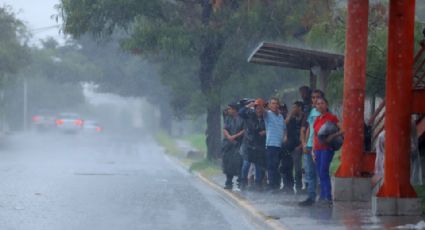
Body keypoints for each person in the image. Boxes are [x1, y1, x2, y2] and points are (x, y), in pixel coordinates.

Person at [313, 97, 343, 207]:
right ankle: (322, 196)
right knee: (320, 173)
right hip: (317, 149)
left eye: (322, 103)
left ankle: (328, 197)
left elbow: (343, 129)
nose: (320, 105)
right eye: (317, 103)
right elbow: (315, 136)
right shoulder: (317, 119)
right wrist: (313, 150)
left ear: (326, 105)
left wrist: (333, 136)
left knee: (323, 172)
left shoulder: (331, 117)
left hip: (327, 149)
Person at [299, 89, 324, 206]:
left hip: (319, 146)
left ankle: (323, 196)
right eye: (313, 98)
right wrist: (305, 143)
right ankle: (311, 196)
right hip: (309, 146)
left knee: (320, 172)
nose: (315, 100)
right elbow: (308, 128)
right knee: (309, 172)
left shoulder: (325, 113)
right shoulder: (311, 112)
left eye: (317, 98)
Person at [239, 98, 267, 190]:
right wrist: (248, 105)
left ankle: (258, 183)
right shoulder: (250, 115)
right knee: (246, 163)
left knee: (258, 164)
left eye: (260, 108)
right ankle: (243, 182)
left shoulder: (266, 117)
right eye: (257, 108)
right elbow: (241, 112)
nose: (259, 110)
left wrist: (265, 132)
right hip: (249, 142)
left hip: (260, 143)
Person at [281, 101, 305, 193]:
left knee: (298, 167)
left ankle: (299, 186)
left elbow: (305, 131)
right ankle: (289, 186)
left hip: (298, 145)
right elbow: (285, 124)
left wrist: (301, 145)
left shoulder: (304, 117)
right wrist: (290, 114)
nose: (293, 109)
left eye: (294, 107)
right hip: (289, 145)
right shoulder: (291, 118)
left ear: (300, 108)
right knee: (287, 166)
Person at [264, 97, 286, 190]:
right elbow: (262, 110)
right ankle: (272, 186)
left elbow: (284, 128)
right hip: (271, 144)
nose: (275, 105)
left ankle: (276, 185)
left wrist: (285, 136)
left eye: (276, 103)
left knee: (277, 165)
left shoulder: (281, 116)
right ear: (269, 105)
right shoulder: (268, 114)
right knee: (271, 165)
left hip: (279, 144)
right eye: (272, 103)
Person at [222, 103, 245, 190]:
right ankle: (228, 181)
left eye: (230, 109)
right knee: (227, 162)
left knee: (239, 161)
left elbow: (244, 129)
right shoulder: (228, 118)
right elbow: (225, 129)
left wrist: (235, 136)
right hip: (228, 144)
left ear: (235, 109)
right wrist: (229, 137)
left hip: (239, 143)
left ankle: (240, 181)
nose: (228, 110)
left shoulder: (242, 119)